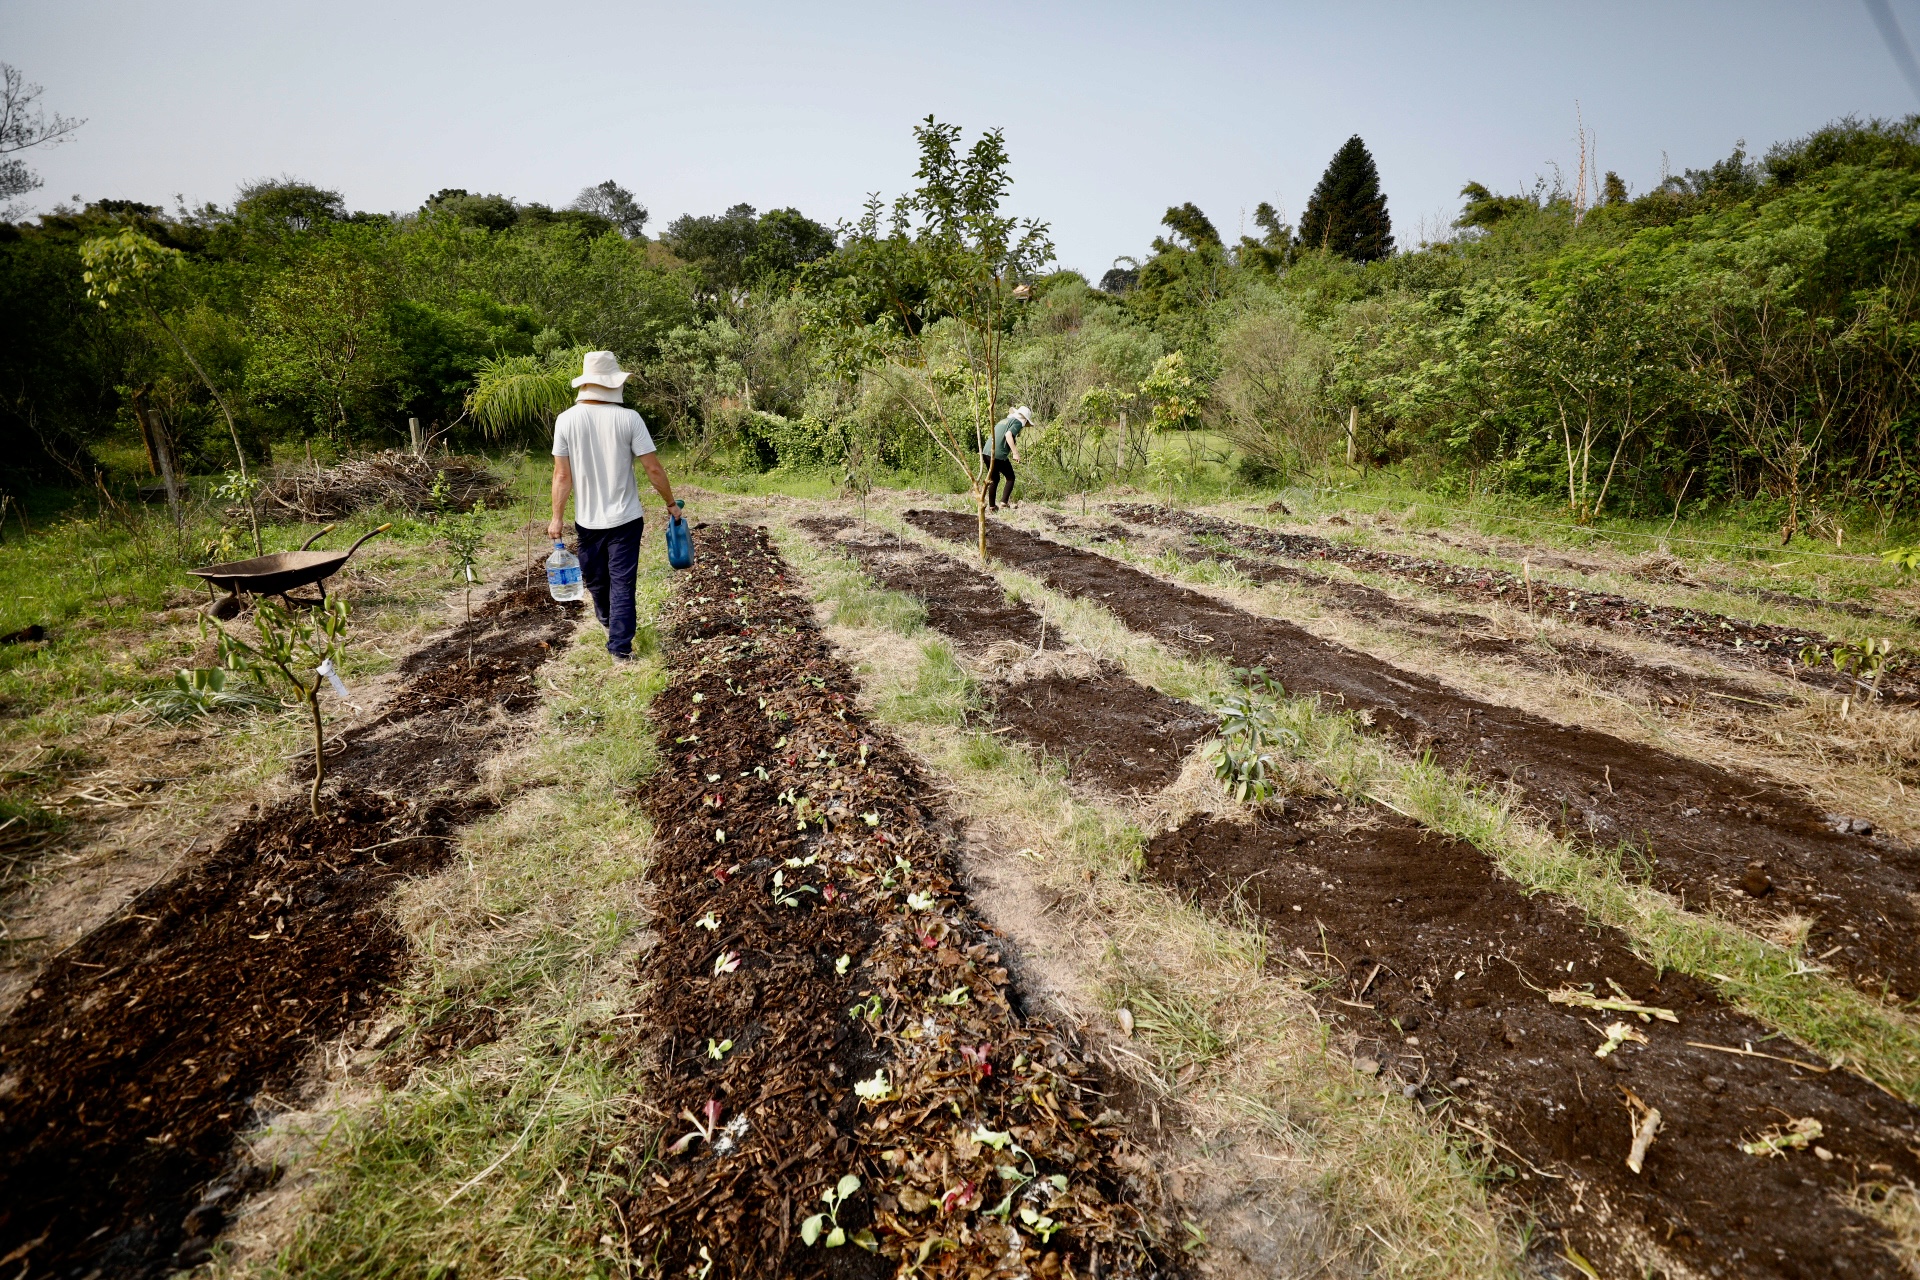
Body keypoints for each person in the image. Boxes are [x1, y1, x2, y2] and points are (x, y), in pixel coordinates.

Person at [548, 350, 678, 660]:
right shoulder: (622, 418)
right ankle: (610, 621)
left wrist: (556, 517)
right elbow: (655, 469)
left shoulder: (572, 420)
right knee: (601, 581)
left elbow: (561, 476)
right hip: (605, 520)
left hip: (614, 520)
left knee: (614, 582)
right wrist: (671, 503)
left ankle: (619, 647)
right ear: (611, 384)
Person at [982, 405, 1032, 512]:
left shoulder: (1005, 420)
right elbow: (1008, 435)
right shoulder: (1018, 422)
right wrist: (1015, 453)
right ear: (1024, 419)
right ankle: (1004, 503)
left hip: (986, 452)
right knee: (1010, 477)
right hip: (997, 454)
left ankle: (992, 507)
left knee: (994, 479)